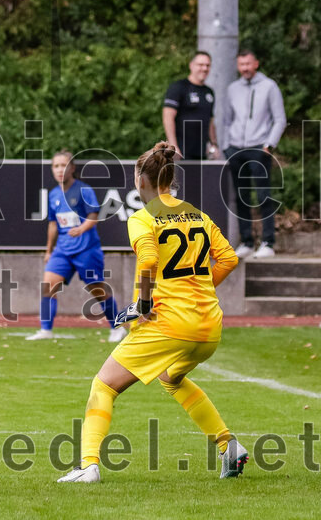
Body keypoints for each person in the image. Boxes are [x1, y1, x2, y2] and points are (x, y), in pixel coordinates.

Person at [58, 142, 246, 484]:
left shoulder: (143, 218)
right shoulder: (198, 215)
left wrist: (143, 304)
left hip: (170, 324)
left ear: (140, 180)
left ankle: (88, 466)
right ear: (170, 179)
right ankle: (227, 446)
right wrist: (199, 289)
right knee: (171, 378)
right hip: (209, 326)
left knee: (103, 385)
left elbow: (147, 261)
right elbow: (229, 258)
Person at [27, 150, 120, 342]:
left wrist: (81, 228)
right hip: (62, 250)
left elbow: (94, 216)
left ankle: (117, 327)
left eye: (64, 165)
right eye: (56, 166)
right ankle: (46, 330)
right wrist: (48, 251)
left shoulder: (84, 190)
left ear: (72, 168)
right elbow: (53, 224)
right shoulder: (53, 194)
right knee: (48, 285)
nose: (59, 169)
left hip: (86, 249)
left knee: (97, 289)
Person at [223, 49, 287, 259]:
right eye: (242, 65)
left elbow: (279, 119)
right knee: (241, 197)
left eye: (248, 64)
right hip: (235, 149)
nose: (245, 68)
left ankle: (268, 242)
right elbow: (226, 120)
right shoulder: (233, 89)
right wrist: (226, 146)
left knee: (263, 196)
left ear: (256, 64)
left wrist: (269, 144)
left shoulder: (269, 86)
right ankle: (247, 241)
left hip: (259, 148)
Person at [162, 51, 218, 160]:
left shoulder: (209, 92)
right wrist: (173, 146)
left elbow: (210, 120)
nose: (204, 68)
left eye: (207, 65)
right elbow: (168, 118)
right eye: (200, 65)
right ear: (191, 65)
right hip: (181, 151)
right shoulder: (178, 87)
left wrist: (214, 144)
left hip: (201, 152)